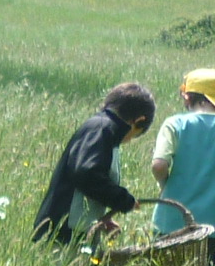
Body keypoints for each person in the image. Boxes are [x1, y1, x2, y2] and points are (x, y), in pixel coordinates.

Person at [34, 82, 154, 245]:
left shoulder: (102, 128)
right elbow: (86, 174)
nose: (129, 141)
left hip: (72, 230)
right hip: (63, 233)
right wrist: (123, 200)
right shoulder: (103, 129)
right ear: (138, 121)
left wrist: (100, 219)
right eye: (135, 135)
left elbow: (88, 184)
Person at [149, 69, 215, 235]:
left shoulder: (175, 124)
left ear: (188, 97)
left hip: (173, 220)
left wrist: (165, 185)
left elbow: (159, 165)